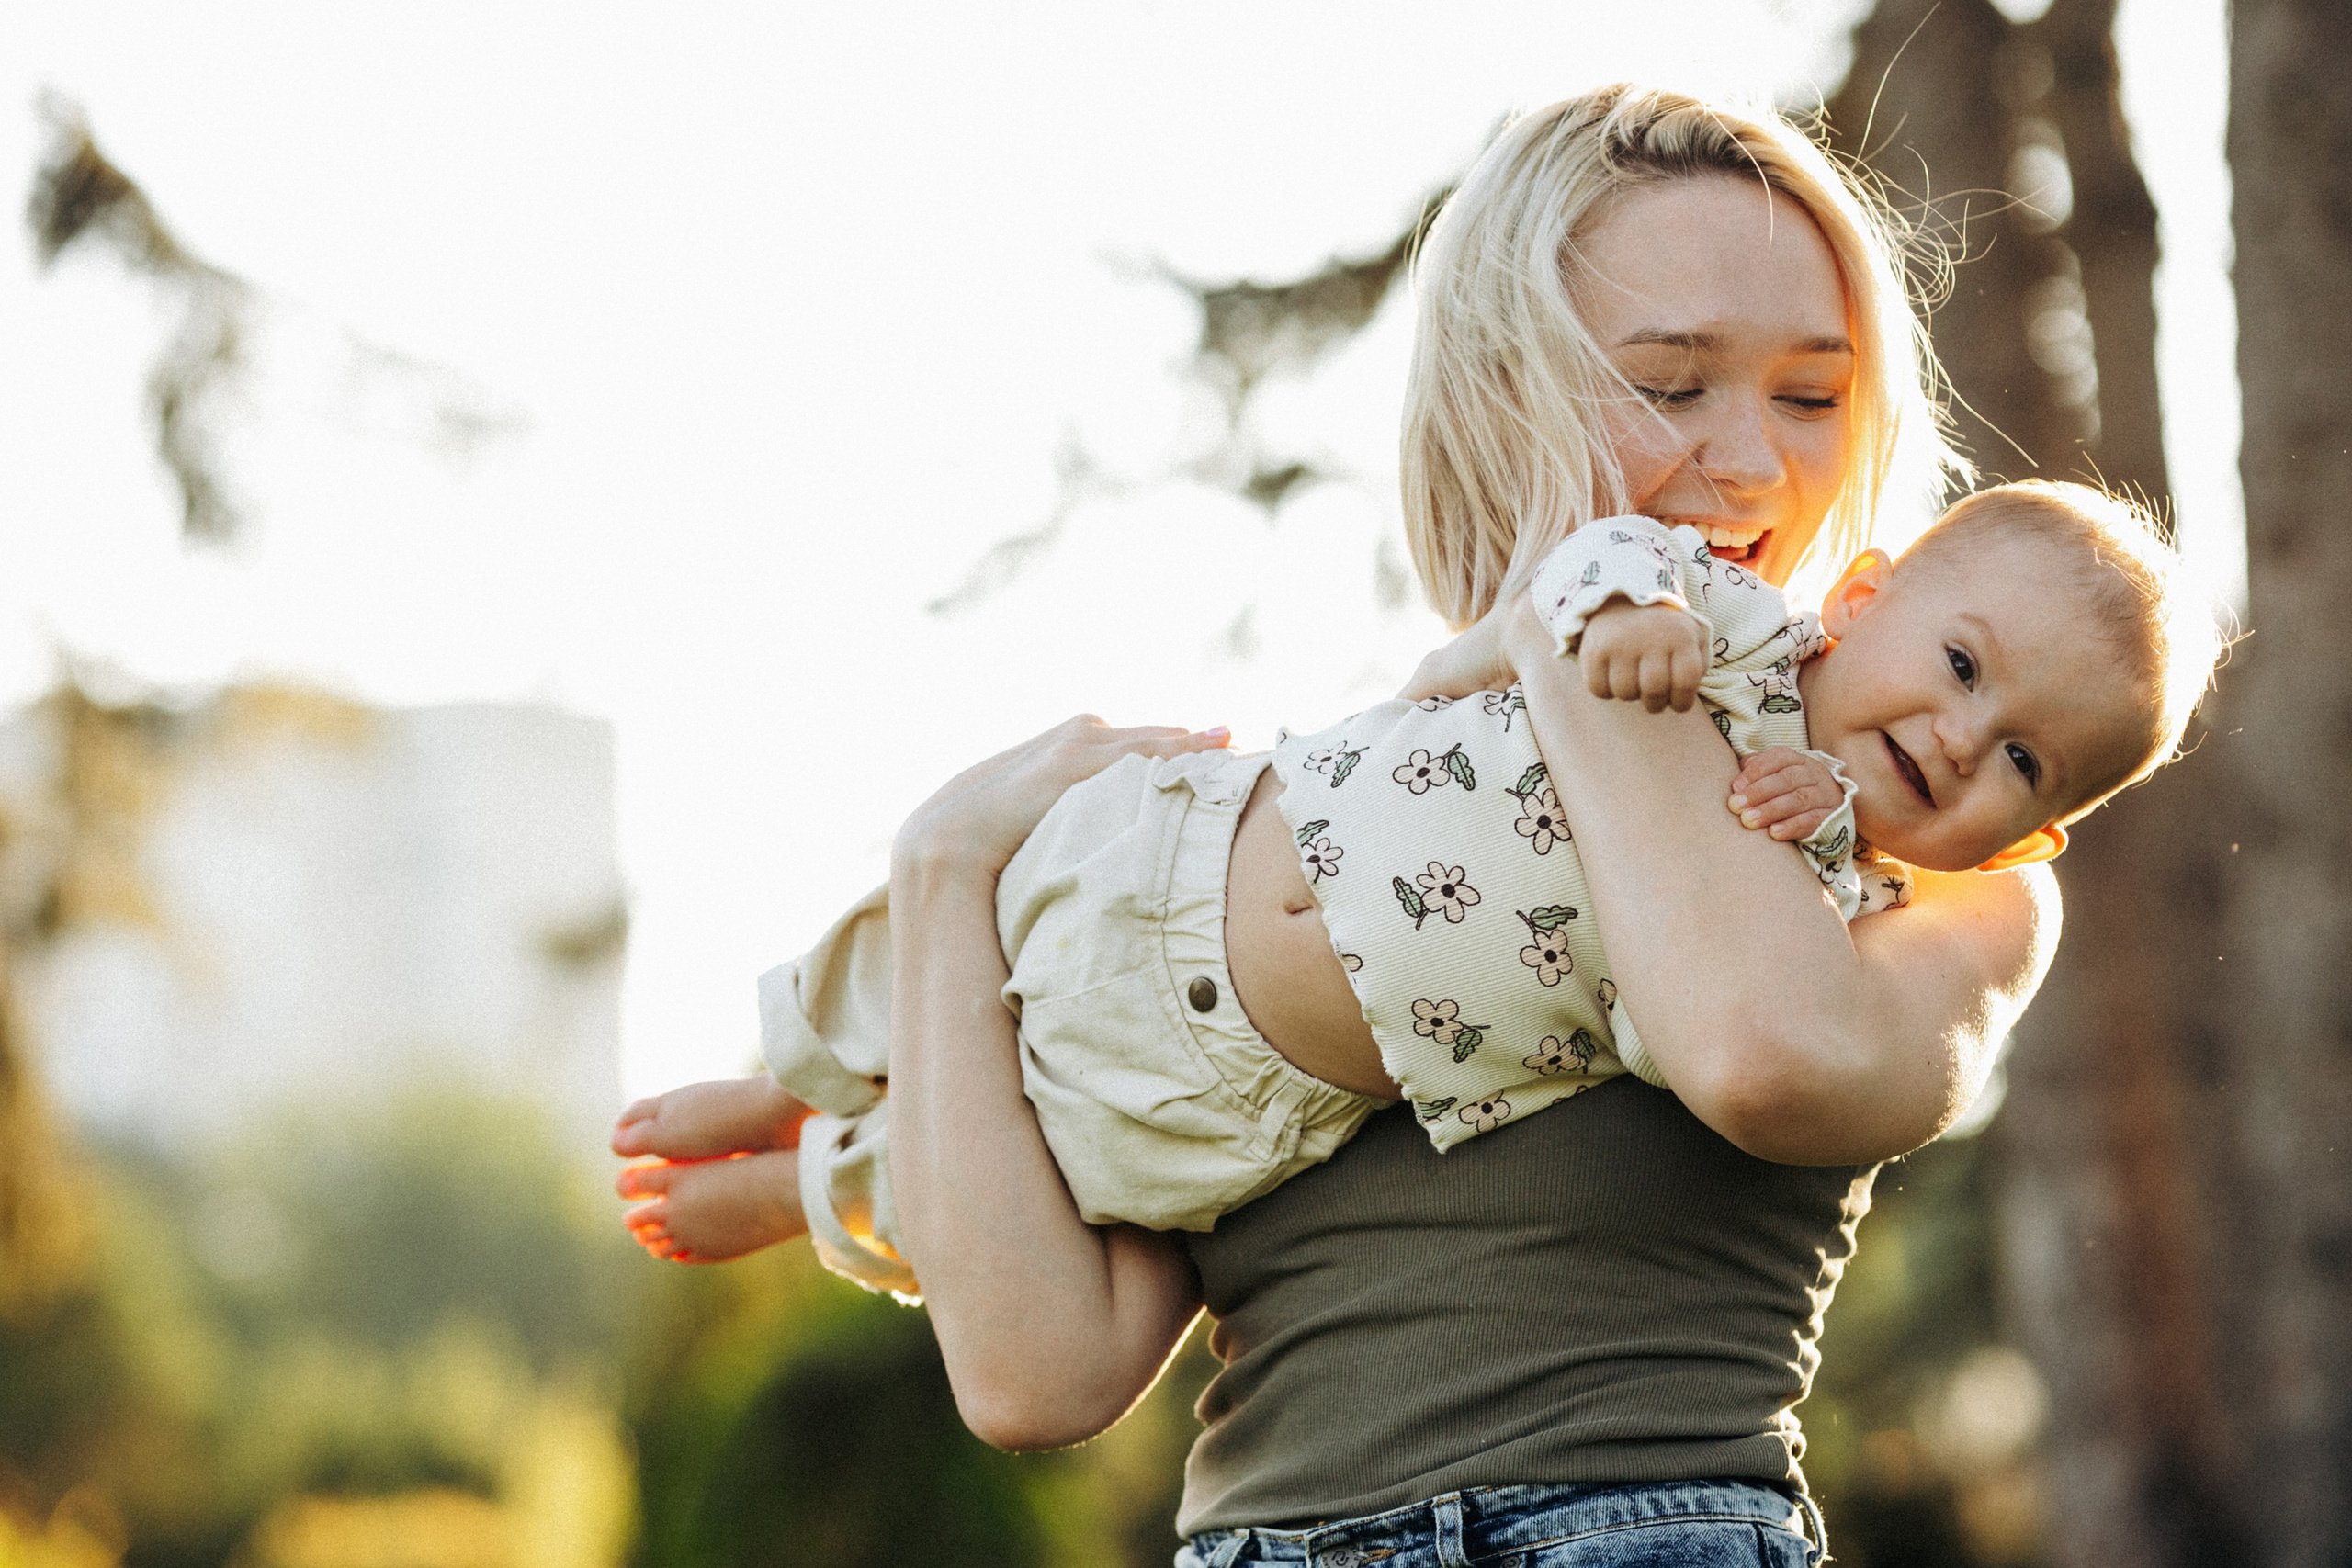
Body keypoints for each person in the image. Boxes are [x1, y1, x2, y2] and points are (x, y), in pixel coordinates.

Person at [616, 85, 2214, 1562]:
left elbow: (1758, 1048)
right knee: (1079, 1035)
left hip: (1628, 1536)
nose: (1749, 459)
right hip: (1262, 1546)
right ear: (1497, 383)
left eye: (1812, 394)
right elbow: (1039, 1370)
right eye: (1671, 383)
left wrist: (1593, 657)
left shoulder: (1943, 865)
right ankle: (818, 1136)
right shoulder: (1384, 802)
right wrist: (944, 863)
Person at [616, 479, 2209, 1256]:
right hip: (1199, 849)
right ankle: (783, 1069)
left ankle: (816, 1191)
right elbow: (1598, 552)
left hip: (1255, 1077)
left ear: (2034, 837)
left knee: (1033, 1165)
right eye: (1961, 661)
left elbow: (1677, 1026)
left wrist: (1792, 856)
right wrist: (1622, 620)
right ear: (1858, 599)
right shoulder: (1721, 628)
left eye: (2023, 761)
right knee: (936, 956)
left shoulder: (1841, 922)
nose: (1961, 730)